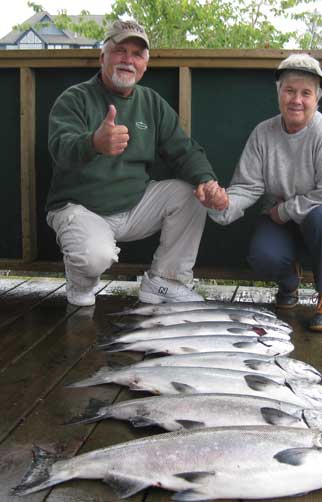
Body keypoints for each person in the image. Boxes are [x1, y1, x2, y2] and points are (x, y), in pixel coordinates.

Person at [46, 20, 223, 307]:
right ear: (103, 56)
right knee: (95, 257)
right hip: (80, 207)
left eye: (137, 54)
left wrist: (206, 180)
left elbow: (183, 150)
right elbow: (59, 148)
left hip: (134, 205)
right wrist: (94, 143)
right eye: (120, 51)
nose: (128, 60)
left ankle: (164, 282)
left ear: (145, 65)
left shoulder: (151, 102)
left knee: (190, 195)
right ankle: (81, 283)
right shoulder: (75, 98)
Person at [203, 54, 322, 332]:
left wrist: (285, 210)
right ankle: (289, 283)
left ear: (317, 98)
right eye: (289, 90)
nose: (296, 100)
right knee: (262, 255)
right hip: (285, 223)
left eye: (306, 93)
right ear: (279, 92)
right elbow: (248, 185)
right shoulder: (262, 133)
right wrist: (223, 203)